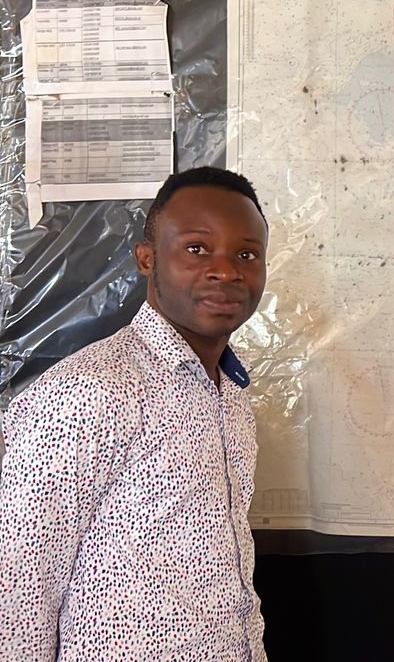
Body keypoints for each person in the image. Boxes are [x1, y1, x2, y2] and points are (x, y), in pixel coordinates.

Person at [0, 167, 270, 661]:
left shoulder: (230, 393)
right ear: (147, 259)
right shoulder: (87, 392)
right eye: (197, 248)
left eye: (246, 255)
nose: (226, 271)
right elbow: (18, 590)